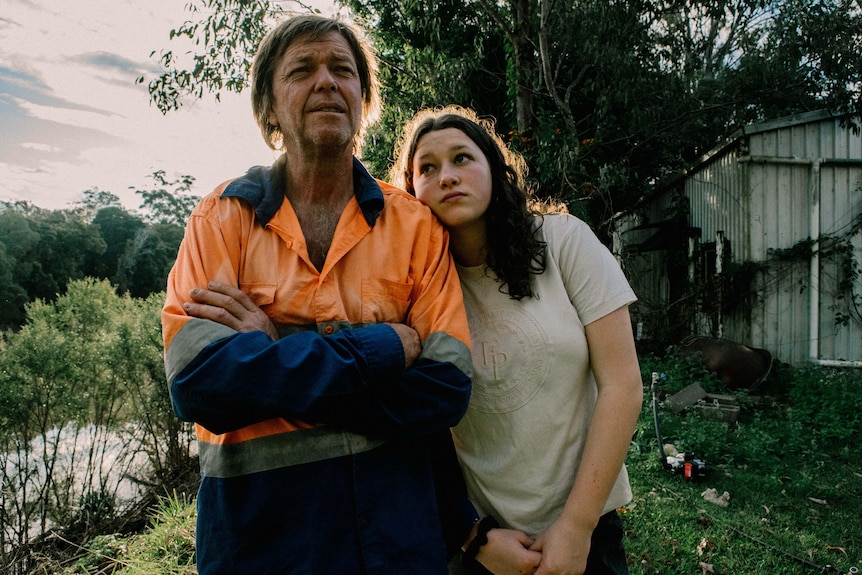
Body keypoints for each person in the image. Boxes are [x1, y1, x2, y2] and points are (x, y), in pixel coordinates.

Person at [161, 16, 477, 575]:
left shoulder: (416, 227)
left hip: (396, 541)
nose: (326, 82)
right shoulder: (221, 220)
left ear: (363, 99)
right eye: (302, 70)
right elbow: (198, 384)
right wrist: (379, 350)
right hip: (257, 541)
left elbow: (445, 388)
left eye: (343, 70)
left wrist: (270, 347)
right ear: (270, 108)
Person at [390, 106, 644, 575]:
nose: (447, 176)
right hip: (485, 541)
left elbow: (622, 386)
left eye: (462, 158)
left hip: (587, 532)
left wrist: (577, 526)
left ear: (493, 168)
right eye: (427, 167)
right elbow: (418, 427)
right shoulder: (411, 287)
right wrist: (474, 538)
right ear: (410, 192)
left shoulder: (564, 242)